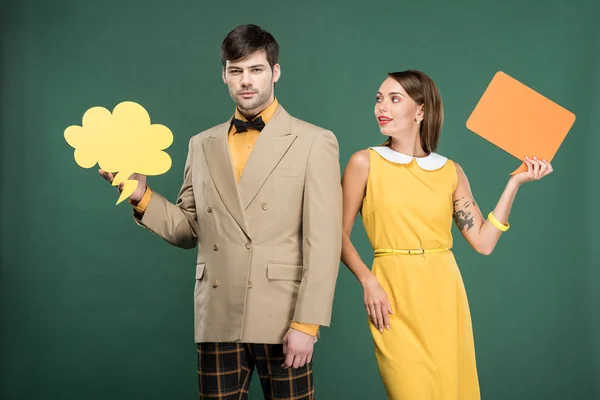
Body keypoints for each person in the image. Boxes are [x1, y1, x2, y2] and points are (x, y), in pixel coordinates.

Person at [100, 24, 342, 400]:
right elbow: (188, 229)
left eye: (256, 69)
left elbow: (324, 242)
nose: (246, 81)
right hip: (217, 315)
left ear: (275, 72)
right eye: (236, 70)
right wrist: (141, 194)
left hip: (284, 316)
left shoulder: (314, 141)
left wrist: (307, 325)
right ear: (225, 76)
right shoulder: (202, 144)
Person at [340, 70, 553, 399]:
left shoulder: (450, 171)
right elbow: (335, 234)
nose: (381, 107)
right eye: (379, 98)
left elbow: (483, 242)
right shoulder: (364, 163)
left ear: (421, 111)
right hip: (392, 294)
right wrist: (368, 280)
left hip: (445, 295)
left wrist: (514, 183)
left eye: (395, 99)